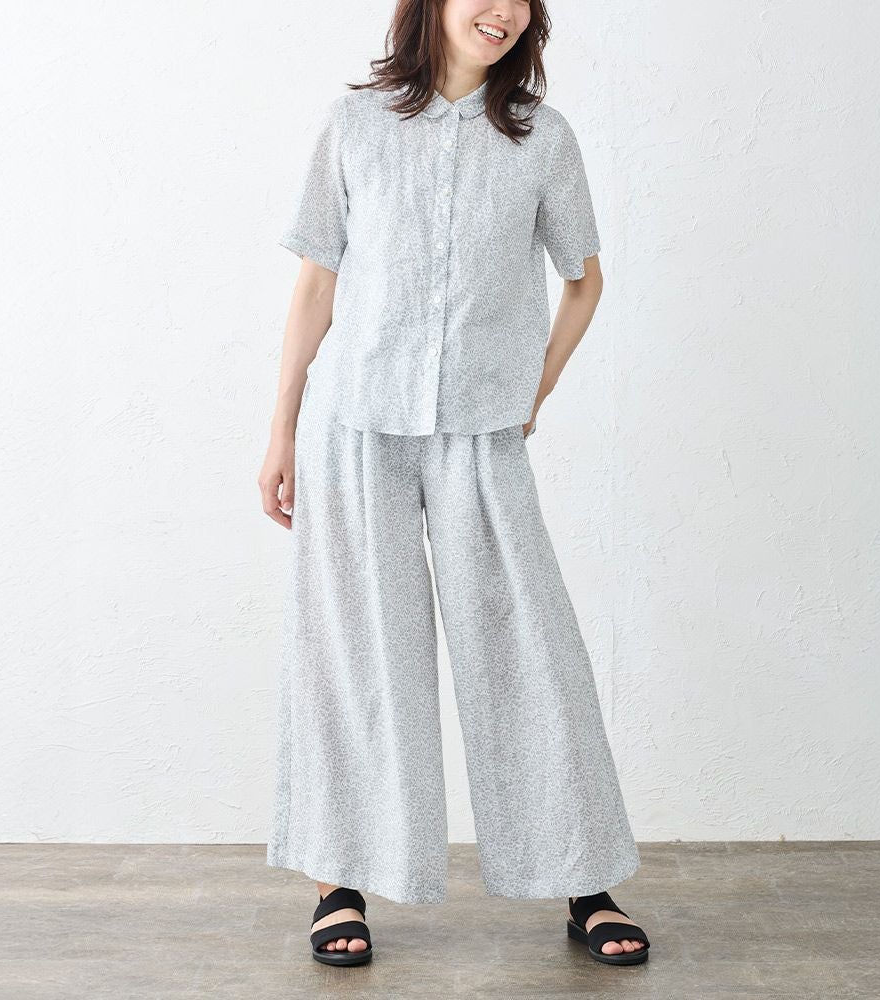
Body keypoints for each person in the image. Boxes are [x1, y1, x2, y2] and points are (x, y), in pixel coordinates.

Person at [259, 0, 652, 969]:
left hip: (482, 428)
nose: (502, 11)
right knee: (358, 654)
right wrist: (280, 429)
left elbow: (584, 279)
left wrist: (535, 389)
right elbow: (316, 283)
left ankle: (584, 879)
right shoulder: (355, 125)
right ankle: (338, 881)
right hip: (357, 426)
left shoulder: (542, 139)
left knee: (530, 653)